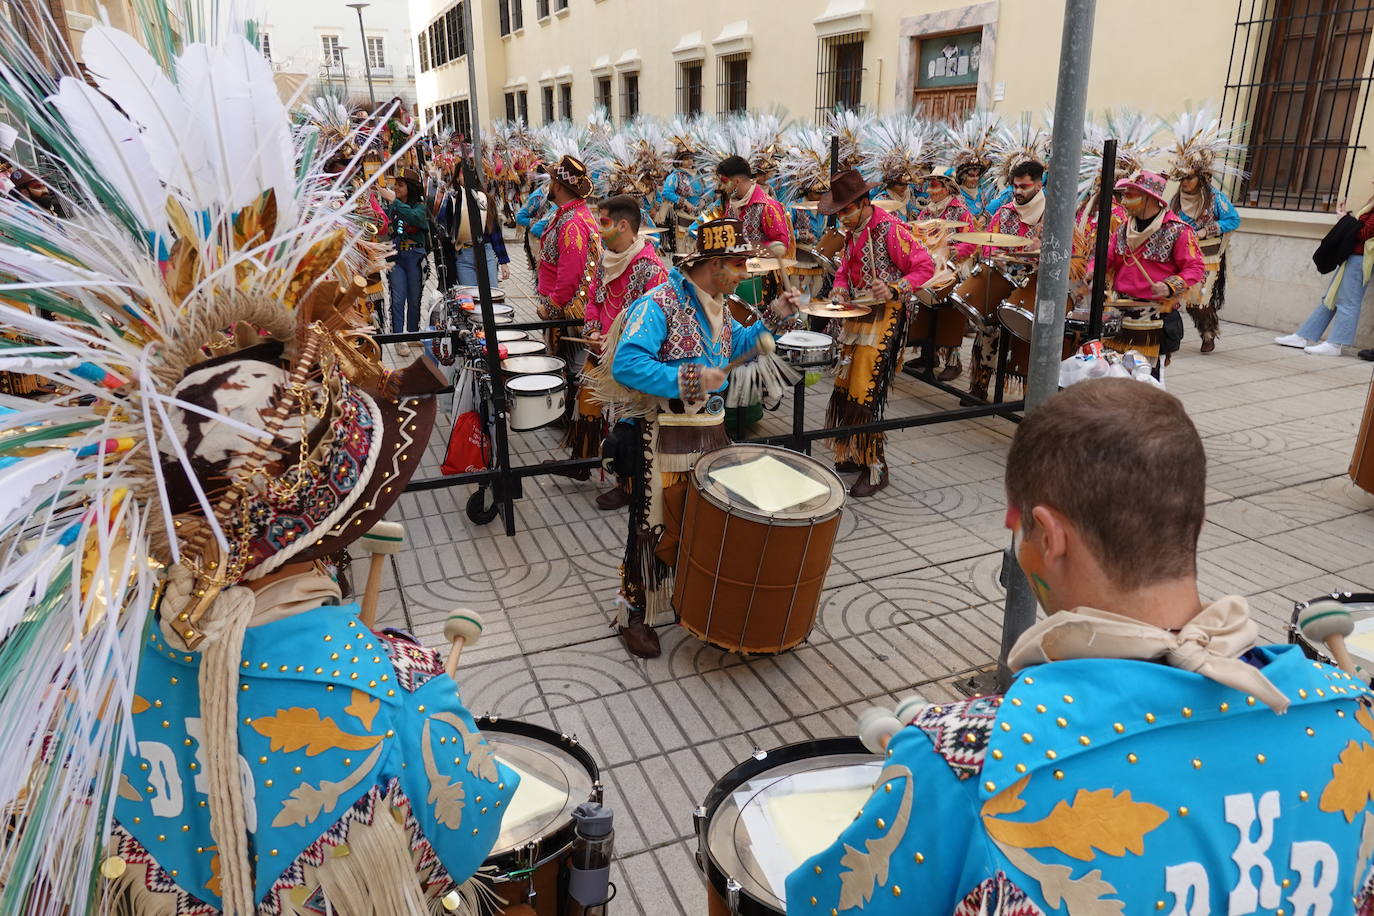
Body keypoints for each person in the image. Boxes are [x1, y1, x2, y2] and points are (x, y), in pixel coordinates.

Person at [0, 20, 518, 914]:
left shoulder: (87, 684)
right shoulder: (383, 684)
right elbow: (472, 825)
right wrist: (423, 684)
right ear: (325, 515)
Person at [786, 377, 1374, 914]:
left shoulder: (967, 764)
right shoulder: (1354, 718)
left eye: (1020, 533)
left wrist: (922, 772)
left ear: (1051, 535)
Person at [594, 217, 802, 658]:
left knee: (700, 520)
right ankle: (632, 608)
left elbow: (741, 345)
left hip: (710, 431)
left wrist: (774, 318)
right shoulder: (659, 305)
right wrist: (690, 378)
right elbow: (627, 365)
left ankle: (688, 593)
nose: (745, 273)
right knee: (654, 524)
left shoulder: (718, 303)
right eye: (737, 264)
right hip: (664, 436)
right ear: (712, 265)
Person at [821, 169, 936, 497]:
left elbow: (925, 266)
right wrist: (840, 289)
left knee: (864, 388)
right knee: (844, 384)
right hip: (858, 313)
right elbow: (843, 270)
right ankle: (853, 451)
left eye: (847, 210)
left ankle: (876, 466)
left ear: (864, 202)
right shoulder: (853, 232)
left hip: (886, 317)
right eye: (839, 212)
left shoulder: (890, 230)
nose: (843, 218)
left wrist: (895, 287)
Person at [580, 194, 670, 511]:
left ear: (622, 225)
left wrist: (620, 346)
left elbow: (658, 326)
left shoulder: (652, 270)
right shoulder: (606, 260)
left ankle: (628, 485)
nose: (597, 228)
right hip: (601, 355)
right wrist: (591, 330)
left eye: (602, 222)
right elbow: (594, 300)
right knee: (593, 411)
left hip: (629, 366)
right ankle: (588, 460)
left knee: (628, 427)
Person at [1099, 171, 1206, 371]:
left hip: (1153, 319)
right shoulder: (1123, 229)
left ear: (1149, 198)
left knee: (1145, 381)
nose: (1123, 201)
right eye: (1124, 195)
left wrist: (1169, 286)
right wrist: (1091, 272)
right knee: (1113, 377)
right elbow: (1105, 258)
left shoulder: (1178, 230)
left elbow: (1196, 267)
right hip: (1120, 313)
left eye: (1130, 195)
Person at [537, 154, 602, 480]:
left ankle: (583, 453)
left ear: (559, 185)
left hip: (569, 313)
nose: (548, 185)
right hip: (567, 310)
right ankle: (574, 436)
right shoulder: (569, 215)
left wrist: (550, 306)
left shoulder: (573, 222)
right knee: (573, 372)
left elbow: (571, 273)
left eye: (551, 180)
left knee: (579, 375)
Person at [970, 159, 1047, 399]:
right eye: (1015, 186)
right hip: (1004, 280)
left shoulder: (1055, 215)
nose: (1017, 191)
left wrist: (1042, 250)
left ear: (1038, 185)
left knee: (1027, 339)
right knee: (987, 329)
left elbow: (1072, 255)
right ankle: (979, 386)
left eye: (1024, 186)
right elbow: (988, 244)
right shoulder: (1004, 213)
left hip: (1034, 287)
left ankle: (1028, 396)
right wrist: (995, 257)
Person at [1277, 179, 1374, 357]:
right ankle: (1303, 336)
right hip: (1353, 256)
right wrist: (1346, 218)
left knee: (1348, 302)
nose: (1372, 180)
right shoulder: (1372, 201)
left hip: (1362, 258)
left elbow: (1365, 233)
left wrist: (1345, 220)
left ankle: (1336, 344)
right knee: (1330, 298)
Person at [912, 170, 977, 381]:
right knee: (923, 305)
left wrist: (959, 251)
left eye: (934, 186)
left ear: (947, 188)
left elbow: (972, 239)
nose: (930, 191)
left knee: (950, 311)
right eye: (929, 186)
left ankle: (953, 361)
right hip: (929, 266)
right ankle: (927, 355)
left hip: (954, 267)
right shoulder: (926, 213)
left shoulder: (960, 210)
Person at [437, 165, 511, 288]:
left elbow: (495, 232)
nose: (466, 177)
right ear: (457, 177)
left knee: (492, 294)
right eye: (462, 173)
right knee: (469, 299)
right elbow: (445, 229)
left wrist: (503, 262)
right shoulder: (452, 200)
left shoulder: (485, 199)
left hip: (485, 251)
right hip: (463, 253)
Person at [381, 167, 429, 353]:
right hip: (397, 257)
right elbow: (384, 222)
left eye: (400, 185)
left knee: (415, 298)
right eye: (395, 185)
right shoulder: (393, 206)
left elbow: (415, 217)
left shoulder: (421, 207)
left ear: (410, 187)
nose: (396, 188)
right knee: (398, 299)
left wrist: (394, 201)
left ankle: (413, 334)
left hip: (416, 257)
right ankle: (399, 338)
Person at [715, 154, 793, 253]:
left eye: (724, 182)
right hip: (736, 267)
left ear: (737, 181)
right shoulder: (732, 204)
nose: (721, 187)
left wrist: (747, 248)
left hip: (764, 267)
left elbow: (781, 245)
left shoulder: (768, 206)